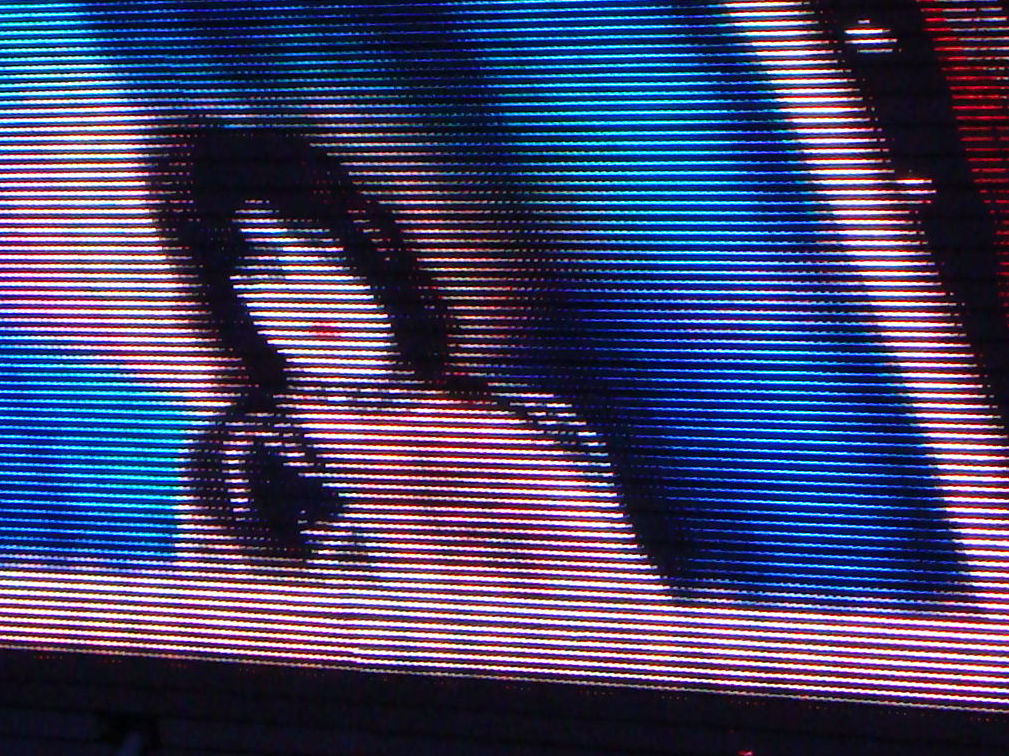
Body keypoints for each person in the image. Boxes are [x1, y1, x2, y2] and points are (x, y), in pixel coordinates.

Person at [149, 117, 661, 593]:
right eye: (264, 274)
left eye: (322, 254)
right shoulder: (244, 461)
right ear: (233, 307)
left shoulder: (530, 417)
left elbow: (628, 603)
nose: (308, 297)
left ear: (371, 256)